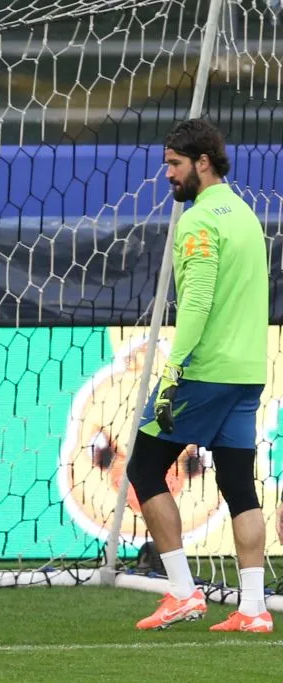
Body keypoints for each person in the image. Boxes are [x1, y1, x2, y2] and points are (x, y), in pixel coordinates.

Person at [128, 118, 270, 633]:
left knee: (144, 469)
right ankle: (252, 608)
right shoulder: (246, 215)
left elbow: (198, 302)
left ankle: (183, 593)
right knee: (238, 483)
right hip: (248, 368)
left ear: (202, 162)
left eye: (174, 164)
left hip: (205, 369)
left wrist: (173, 371)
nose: (167, 174)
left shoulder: (199, 221)